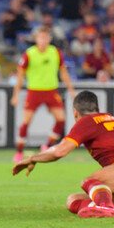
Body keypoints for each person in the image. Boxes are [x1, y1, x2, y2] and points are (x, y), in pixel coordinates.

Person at [12, 91, 114, 218]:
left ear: (75, 112)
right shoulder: (109, 118)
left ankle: (106, 207)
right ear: (96, 108)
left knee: (90, 181)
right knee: (73, 200)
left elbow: (60, 151)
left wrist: (33, 158)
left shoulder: (87, 121)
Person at [11, 27, 75, 163]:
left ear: (49, 38)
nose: (43, 40)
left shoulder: (55, 52)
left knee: (61, 120)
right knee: (26, 122)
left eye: (45, 37)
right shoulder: (29, 54)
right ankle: (19, 152)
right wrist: (15, 95)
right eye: (41, 37)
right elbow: (20, 75)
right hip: (34, 91)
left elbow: (63, 72)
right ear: (36, 39)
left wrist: (71, 89)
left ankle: (47, 145)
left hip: (51, 90)